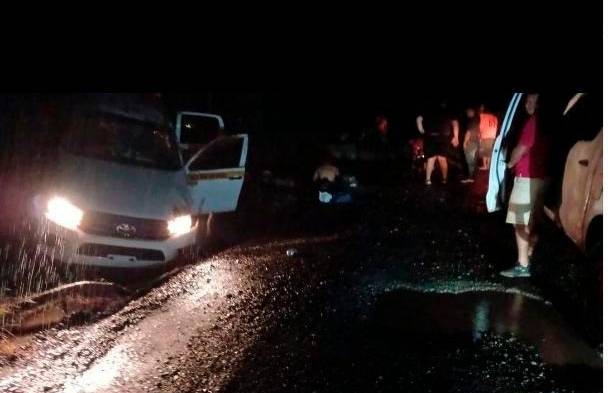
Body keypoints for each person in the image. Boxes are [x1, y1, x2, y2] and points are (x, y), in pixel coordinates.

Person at [500, 93, 548, 278]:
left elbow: (522, 148)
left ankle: (522, 265)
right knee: (532, 220)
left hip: (526, 178)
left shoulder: (532, 123)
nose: (527, 104)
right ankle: (529, 251)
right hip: (542, 178)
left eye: (532, 101)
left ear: (539, 104)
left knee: (519, 221)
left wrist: (510, 163)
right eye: (526, 101)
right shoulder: (547, 124)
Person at [416, 100, 459, 185]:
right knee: (442, 158)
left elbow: (419, 119)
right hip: (444, 136)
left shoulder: (427, 107)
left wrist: (422, 131)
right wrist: (456, 137)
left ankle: (428, 180)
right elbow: (455, 123)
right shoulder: (448, 109)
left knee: (431, 158)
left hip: (431, 136)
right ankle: (444, 179)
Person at [460, 106, 480, 183]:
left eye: (468, 112)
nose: (467, 113)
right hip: (476, 142)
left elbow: (469, 132)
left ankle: (470, 177)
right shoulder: (477, 119)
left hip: (471, 142)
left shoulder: (472, 120)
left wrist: (465, 142)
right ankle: (473, 176)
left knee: (469, 160)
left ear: (472, 112)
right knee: (474, 160)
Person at [478, 104, 499, 170]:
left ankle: (485, 166)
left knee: (484, 153)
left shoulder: (483, 116)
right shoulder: (495, 117)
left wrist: (480, 136)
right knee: (489, 153)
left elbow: (480, 127)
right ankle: (488, 166)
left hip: (485, 136)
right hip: (493, 137)